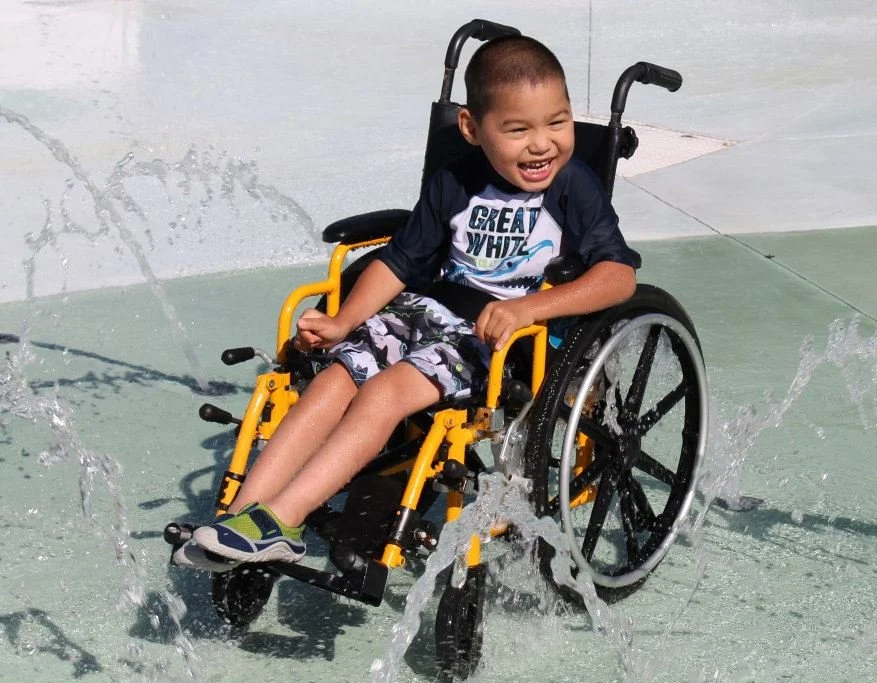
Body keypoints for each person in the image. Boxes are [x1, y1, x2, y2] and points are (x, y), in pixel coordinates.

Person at [175, 35, 637, 571]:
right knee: (334, 376)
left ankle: (286, 519)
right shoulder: (455, 181)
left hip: (504, 338)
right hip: (428, 311)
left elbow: (619, 278)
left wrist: (529, 309)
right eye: (518, 130)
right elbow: (399, 262)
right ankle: (241, 515)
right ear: (471, 128)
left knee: (383, 394)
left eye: (558, 124)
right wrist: (344, 320)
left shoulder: (572, 187)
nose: (542, 145)